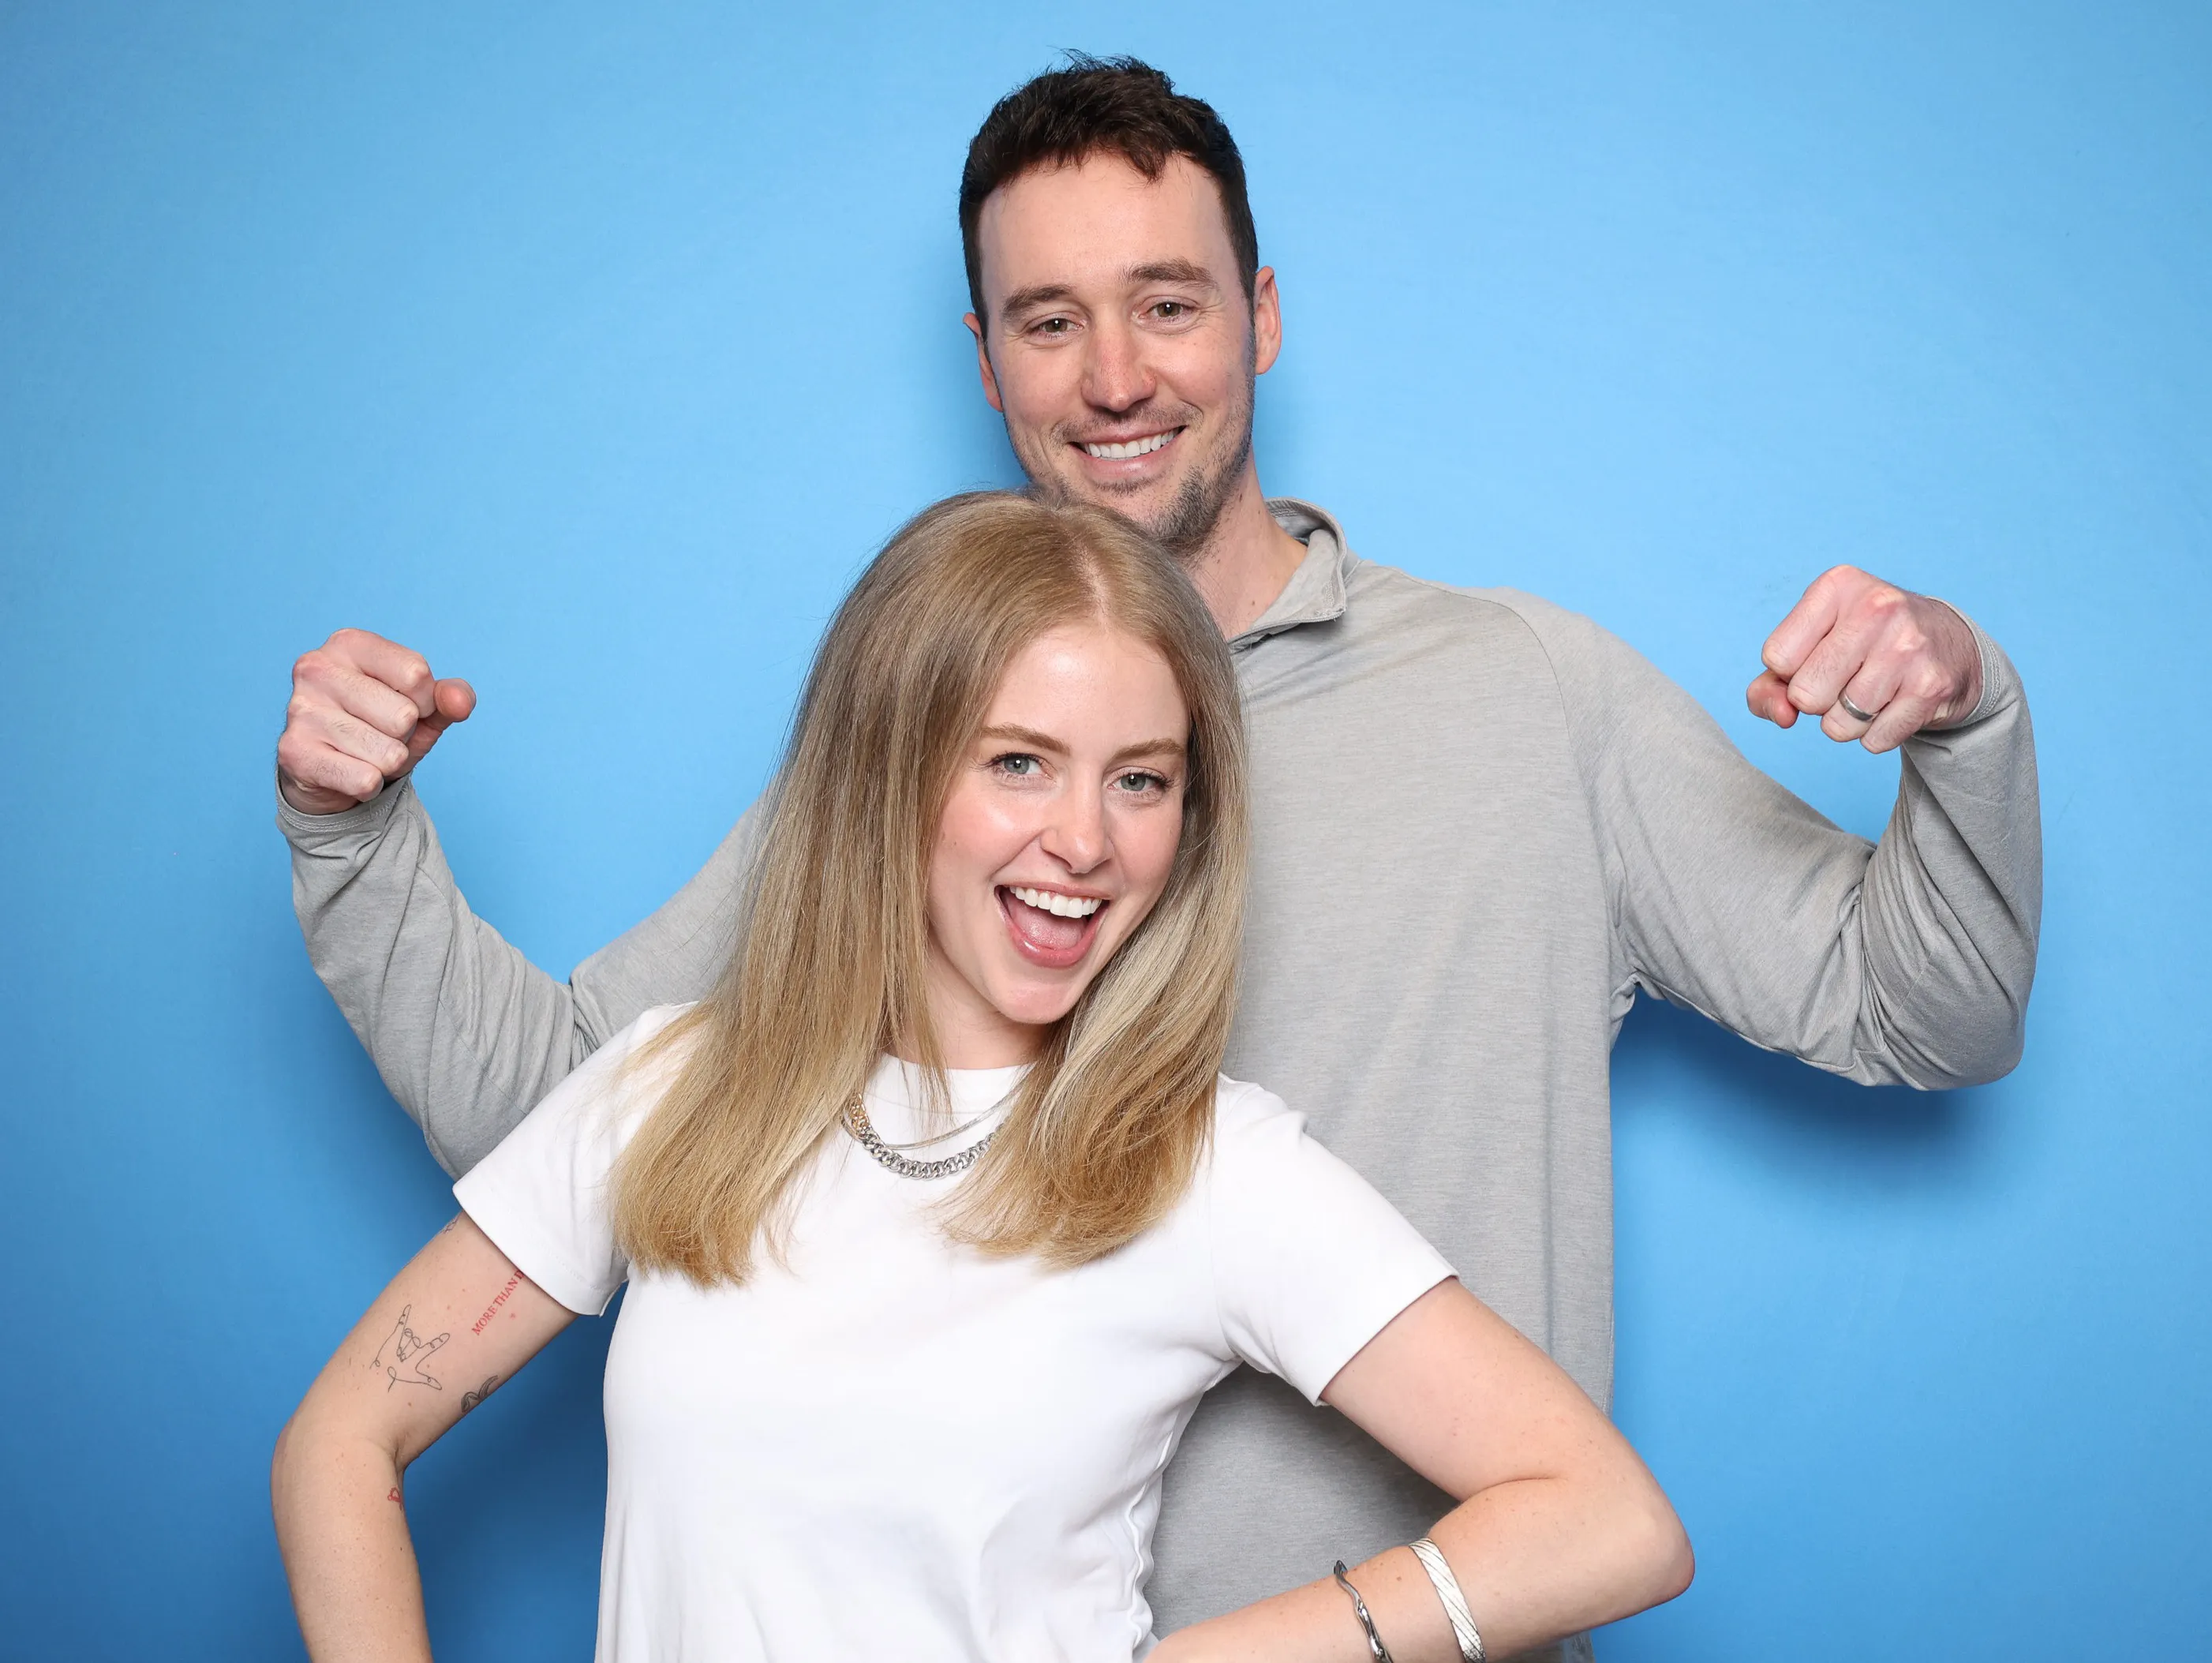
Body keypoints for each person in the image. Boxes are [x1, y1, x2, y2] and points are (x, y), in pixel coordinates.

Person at [273, 55, 2039, 1660]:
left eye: (1166, 305)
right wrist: (356, 837)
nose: (1114, 377)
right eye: (1047, 322)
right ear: (982, 361)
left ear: (1258, 318)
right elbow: (576, 1127)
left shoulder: (1526, 695)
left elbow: (1922, 1017)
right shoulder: (899, 776)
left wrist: (1958, 706)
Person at [271, 493, 1693, 1662]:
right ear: (890, 774)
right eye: (1021, 762)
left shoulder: (1212, 1168)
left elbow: (1609, 1518)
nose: (1086, 839)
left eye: (1142, 779)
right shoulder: (672, 1087)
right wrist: (349, 833)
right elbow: (343, 1436)